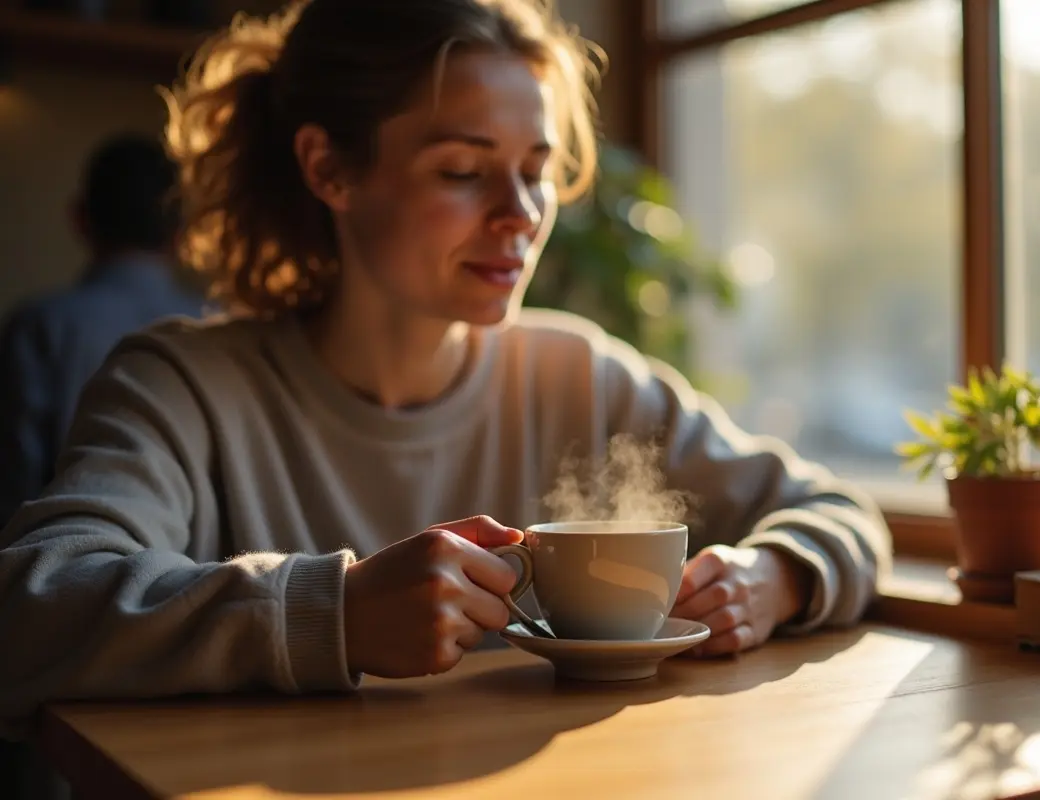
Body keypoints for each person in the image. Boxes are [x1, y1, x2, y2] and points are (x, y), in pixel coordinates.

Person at [0, 0, 892, 741]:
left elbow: (836, 510)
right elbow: (28, 609)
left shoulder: (578, 374)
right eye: (464, 170)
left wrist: (774, 579)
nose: (520, 215)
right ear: (328, 169)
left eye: (535, 173)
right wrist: (335, 612)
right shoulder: (183, 388)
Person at [0, 133, 207, 527]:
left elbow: (16, 480)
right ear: (183, 232)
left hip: (60, 566)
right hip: (205, 570)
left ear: (80, 218)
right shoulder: (223, 324)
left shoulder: (42, 326)